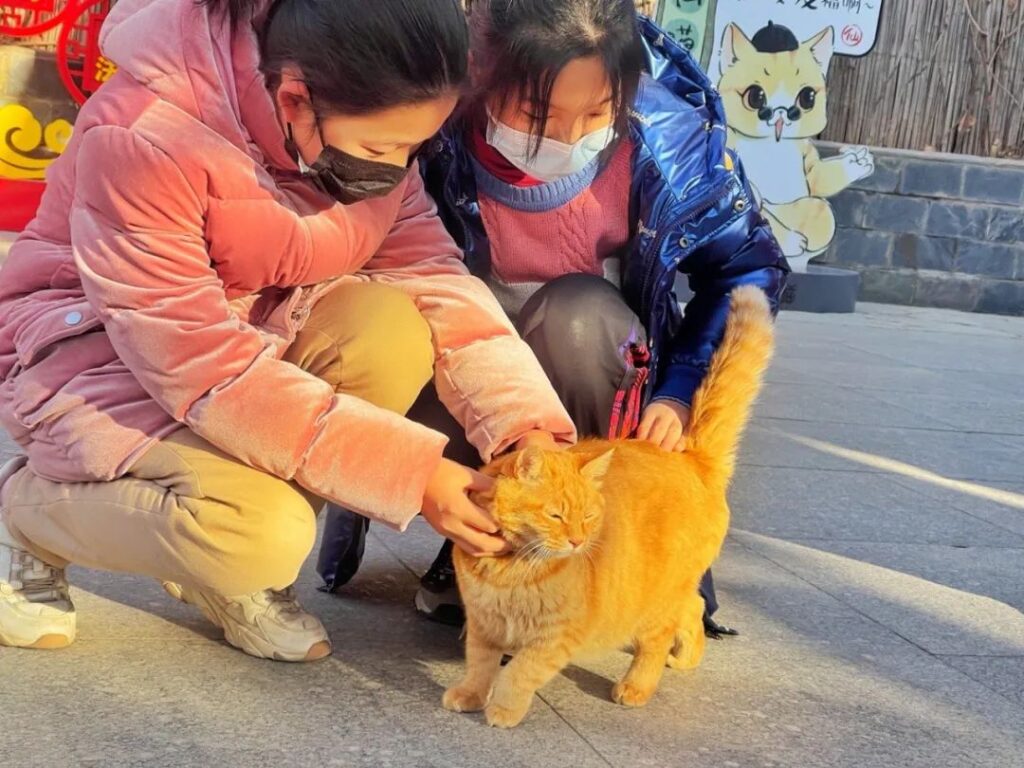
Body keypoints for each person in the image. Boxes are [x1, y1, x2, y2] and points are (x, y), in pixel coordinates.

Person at [0, 0, 575, 662]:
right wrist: (413, 475)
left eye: (413, 147)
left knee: (387, 334)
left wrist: (527, 428)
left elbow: (436, 278)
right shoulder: (146, 135)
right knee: (264, 534)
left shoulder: (359, 117)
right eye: (380, 148)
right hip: (99, 357)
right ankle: (33, 515)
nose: (395, 167)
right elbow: (202, 367)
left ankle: (224, 571)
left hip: (248, 343)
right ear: (296, 99)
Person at [318, 0, 789, 633]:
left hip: (588, 371)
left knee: (578, 317)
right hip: (452, 368)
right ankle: (475, 550)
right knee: (387, 329)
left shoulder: (670, 141)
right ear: (482, 74)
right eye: (537, 114)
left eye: (597, 112)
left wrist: (679, 391)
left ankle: (591, 564)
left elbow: (745, 267)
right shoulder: (425, 126)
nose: (567, 138)